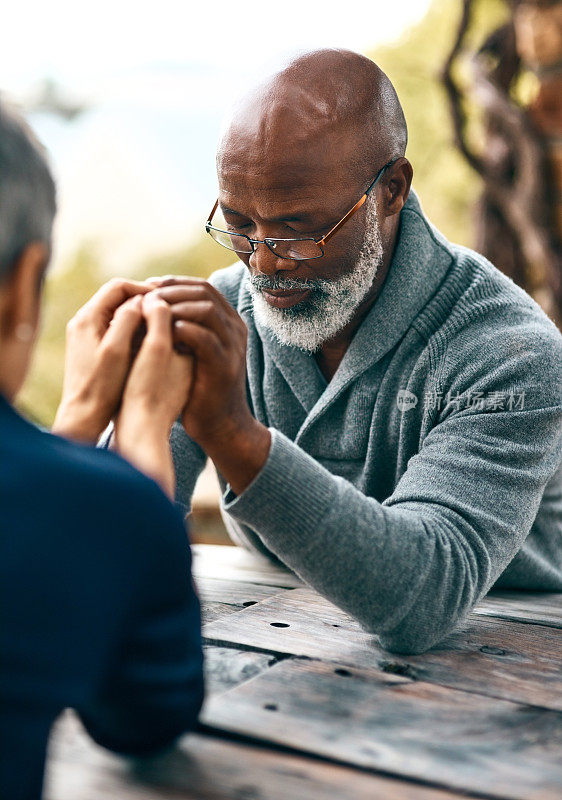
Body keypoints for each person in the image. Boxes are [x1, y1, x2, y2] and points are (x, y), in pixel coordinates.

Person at [148, 49, 562, 655]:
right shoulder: (227, 310)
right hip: (276, 623)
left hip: (515, 649)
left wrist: (237, 439)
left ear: (392, 190)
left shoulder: (510, 354)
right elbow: (122, 533)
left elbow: (424, 595)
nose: (263, 264)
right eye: (238, 224)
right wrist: (109, 396)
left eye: (299, 230)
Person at [0, 102, 203, 800]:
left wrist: (81, 417)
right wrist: (143, 428)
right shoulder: (102, 512)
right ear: (22, 283)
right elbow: (142, 717)